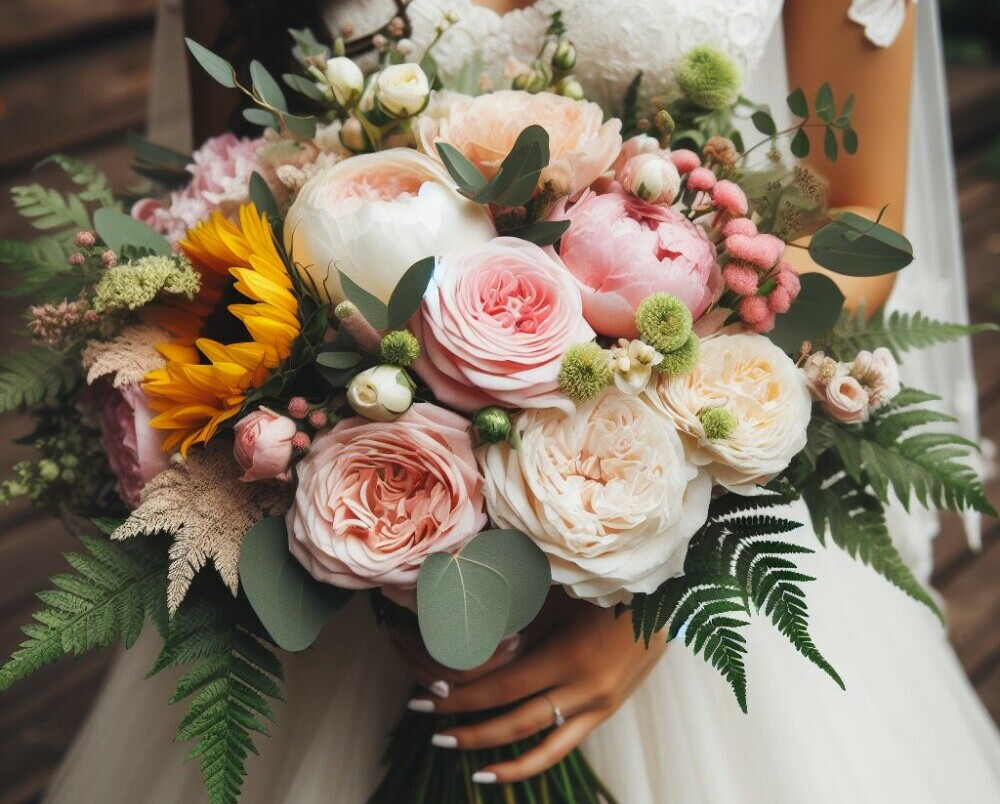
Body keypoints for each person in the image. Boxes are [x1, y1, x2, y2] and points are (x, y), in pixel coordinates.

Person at [44, 1, 1000, 802]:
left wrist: (657, 562)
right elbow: (237, 186)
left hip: (662, 481)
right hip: (344, 528)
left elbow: (854, 207)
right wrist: (369, 516)